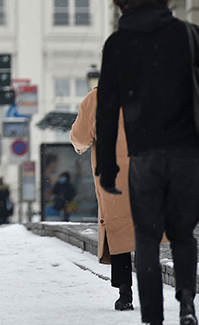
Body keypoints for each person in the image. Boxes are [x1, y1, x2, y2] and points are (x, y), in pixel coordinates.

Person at [96, 0, 199, 325]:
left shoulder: (118, 45)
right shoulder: (186, 34)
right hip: (187, 152)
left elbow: (106, 110)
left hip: (144, 157)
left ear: (124, 4)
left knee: (147, 239)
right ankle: (187, 304)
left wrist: (108, 168)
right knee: (183, 234)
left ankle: (152, 317)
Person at [71, 87, 136, 311]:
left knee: (119, 230)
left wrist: (80, 147)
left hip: (114, 174)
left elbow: (80, 137)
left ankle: (125, 292)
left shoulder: (97, 98)